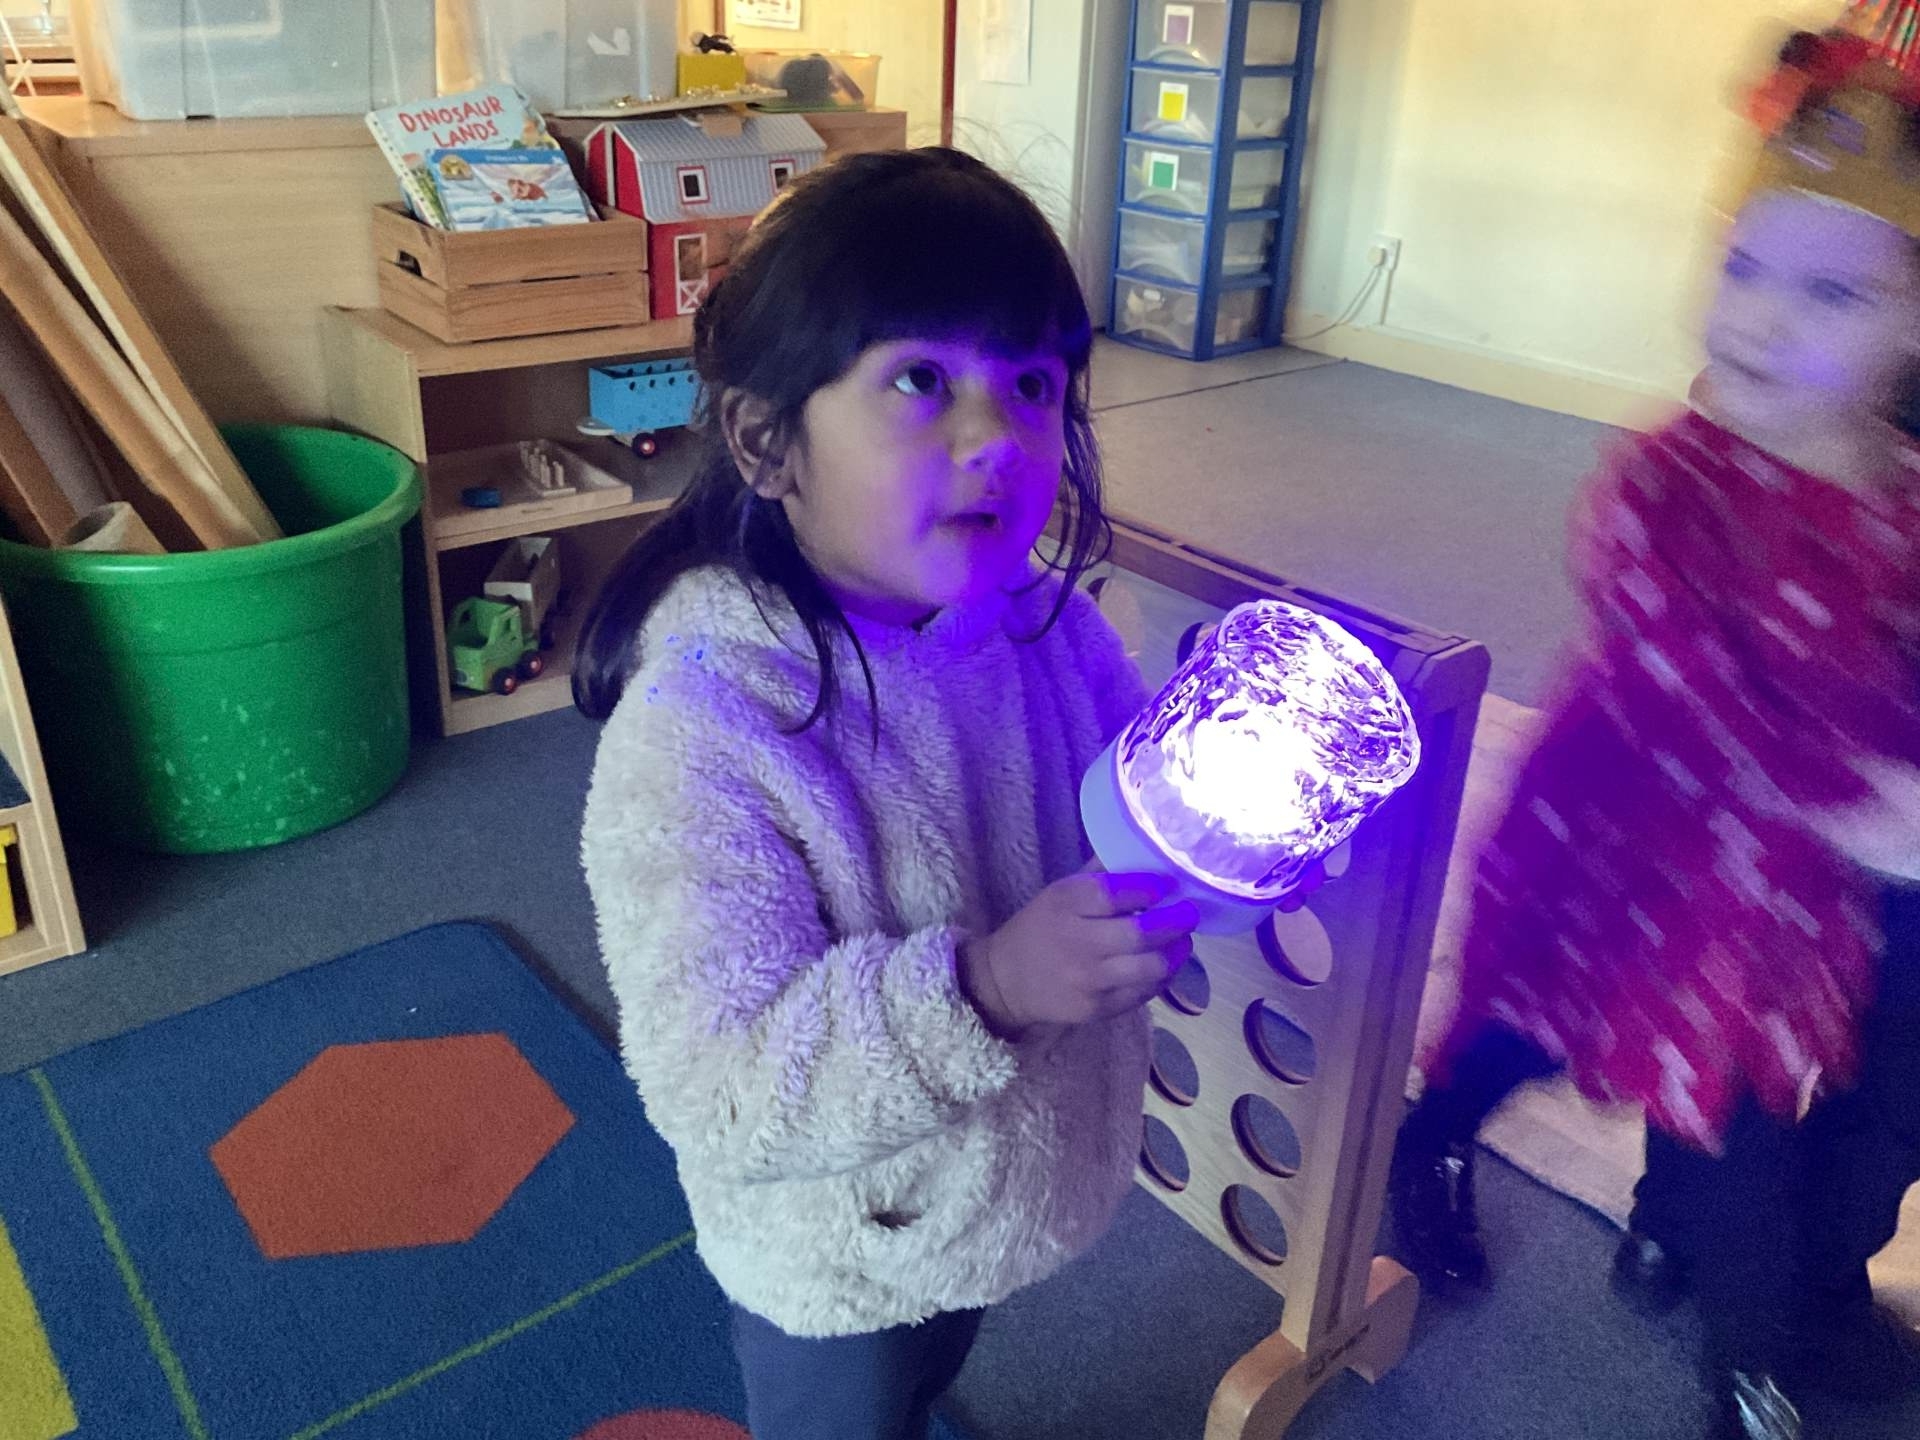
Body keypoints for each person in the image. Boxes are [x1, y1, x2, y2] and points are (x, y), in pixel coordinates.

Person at [575, 148, 1201, 1440]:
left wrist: (1231, 819)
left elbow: (1142, 797)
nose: (997, 440)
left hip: (988, 1193)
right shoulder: (700, 725)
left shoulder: (1049, 628)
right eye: (921, 380)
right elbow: (720, 1084)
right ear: (766, 441)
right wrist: (992, 987)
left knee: (934, 1361)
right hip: (835, 1259)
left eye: (1031, 385)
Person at [1388, 32, 1920, 1440]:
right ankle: (1428, 1140)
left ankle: (1737, 1350)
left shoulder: (1905, 498)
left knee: (1743, 1125)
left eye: (1832, 293)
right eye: (1742, 268)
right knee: (1523, 1031)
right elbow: (1691, 684)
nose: (1761, 321)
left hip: (1773, 914)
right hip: (1620, 851)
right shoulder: (1663, 482)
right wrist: (1873, 803)